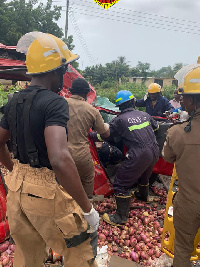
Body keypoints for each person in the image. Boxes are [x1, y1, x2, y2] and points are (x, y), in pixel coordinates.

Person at [0, 32, 99, 267]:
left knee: (28, 256)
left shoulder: (14, 100)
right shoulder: (55, 103)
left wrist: (14, 170)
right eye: (63, 70)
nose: (64, 76)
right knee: (80, 250)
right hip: (44, 193)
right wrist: (87, 208)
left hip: (17, 191)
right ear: (55, 71)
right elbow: (59, 158)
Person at [91, 90, 159, 226]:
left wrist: (92, 135)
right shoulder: (144, 114)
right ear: (134, 102)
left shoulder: (119, 120)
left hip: (139, 153)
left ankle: (120, 217)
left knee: (120, 184)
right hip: (154, 150)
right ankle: (143, 196)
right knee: (145, 175)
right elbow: (156, 128)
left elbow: (107, 135)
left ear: (119, 106)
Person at [162, 66, 200, 267]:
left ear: (192, 100)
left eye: (184, 97)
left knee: (183, 250)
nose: (181, 101)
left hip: (189, 203)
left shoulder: (177, 132)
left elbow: (168, 158)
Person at [66, 78, 110, 200]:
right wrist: (106, 126)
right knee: (87, 178)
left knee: (61, 181)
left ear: (71, 91)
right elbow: (105, 134)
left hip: (60, 153)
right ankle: (86, 207)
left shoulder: (59, 104)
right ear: (86, 93)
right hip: (80, 154)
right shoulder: (91, 110)